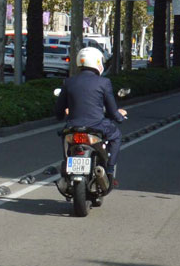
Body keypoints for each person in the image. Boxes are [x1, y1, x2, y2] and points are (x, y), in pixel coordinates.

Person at [54, 46, 128, 187]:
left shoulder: (69, 82)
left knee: (65, 138)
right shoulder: (104, 82)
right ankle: (110, 170)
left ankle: (67, 169)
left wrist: (63, 114)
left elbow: (58, 110)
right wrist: (120, 117)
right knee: (116, 136)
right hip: (97, 126)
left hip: (73, 127)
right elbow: (112, 111)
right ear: (97, 62)